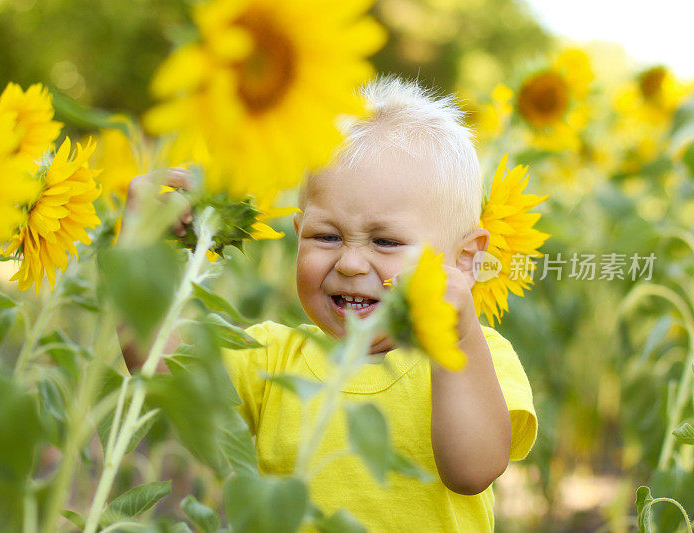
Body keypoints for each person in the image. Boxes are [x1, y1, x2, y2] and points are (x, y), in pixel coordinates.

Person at [123, 75, 537, 532]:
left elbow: (473, 471)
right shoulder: (273, 357)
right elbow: (161, 372)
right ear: (298, 235)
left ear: (464, 259)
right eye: (327, 236)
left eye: (385, 240)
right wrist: (135, 256)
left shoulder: (480, 356)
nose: (352, 263)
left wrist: (454, 336)